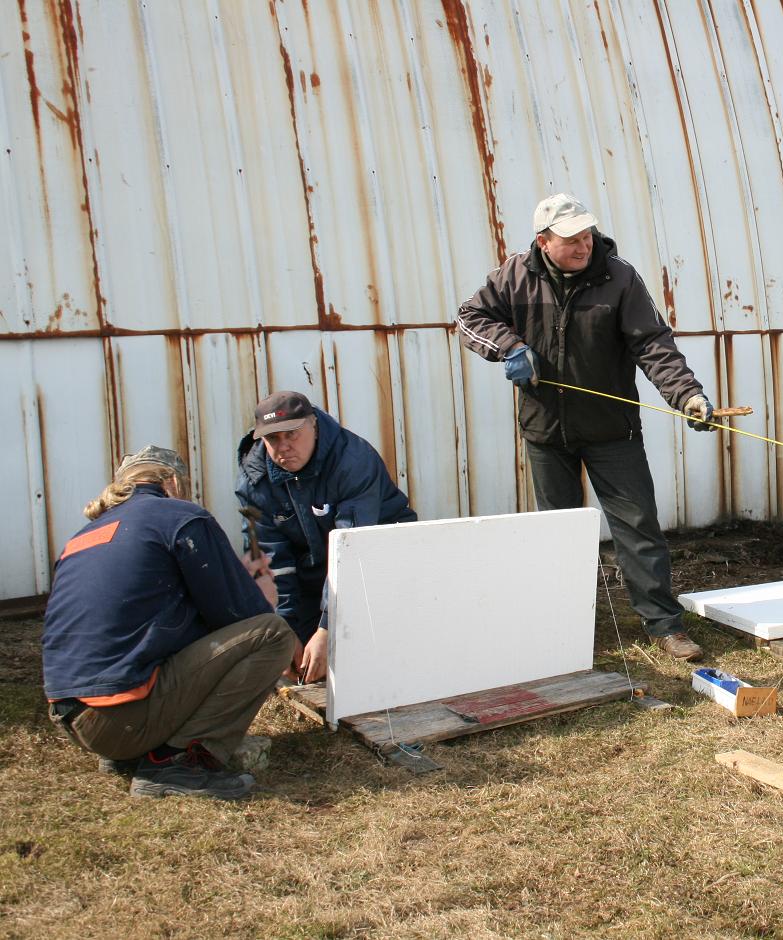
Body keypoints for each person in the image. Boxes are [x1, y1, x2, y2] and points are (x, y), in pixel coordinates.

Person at [456, 193, 715, 661]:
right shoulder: (514, 276)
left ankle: (663, 623)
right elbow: (469, 317)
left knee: (637, 524)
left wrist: (686, 395)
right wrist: (509, 347)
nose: (583, 246)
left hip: (611, 429)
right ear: (543, 241)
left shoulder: (619, 278)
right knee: (560, 530)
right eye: (571, 239)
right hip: (545, 429)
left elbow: (654, 345)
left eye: (587, 236)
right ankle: (565, 622)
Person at [43, 446, 296, 800]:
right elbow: (241, 613)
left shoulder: (82, 537)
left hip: (74, 718)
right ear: (174, 482)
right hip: (121, 718)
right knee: (273, 635)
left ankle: (130, 751)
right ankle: (177, 761)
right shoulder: (180, 518)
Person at [235, 391, 416, 683]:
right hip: (314, 573)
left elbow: (354, 550)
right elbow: (269, 559)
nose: (283, 447)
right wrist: (285, 628)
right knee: (297, 662)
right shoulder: (253, 480)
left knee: (373, 659)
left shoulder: (352, 461)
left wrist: (328, 627)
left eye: (291, 434)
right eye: (273, 439)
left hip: (379, 562)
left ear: (314, 426)